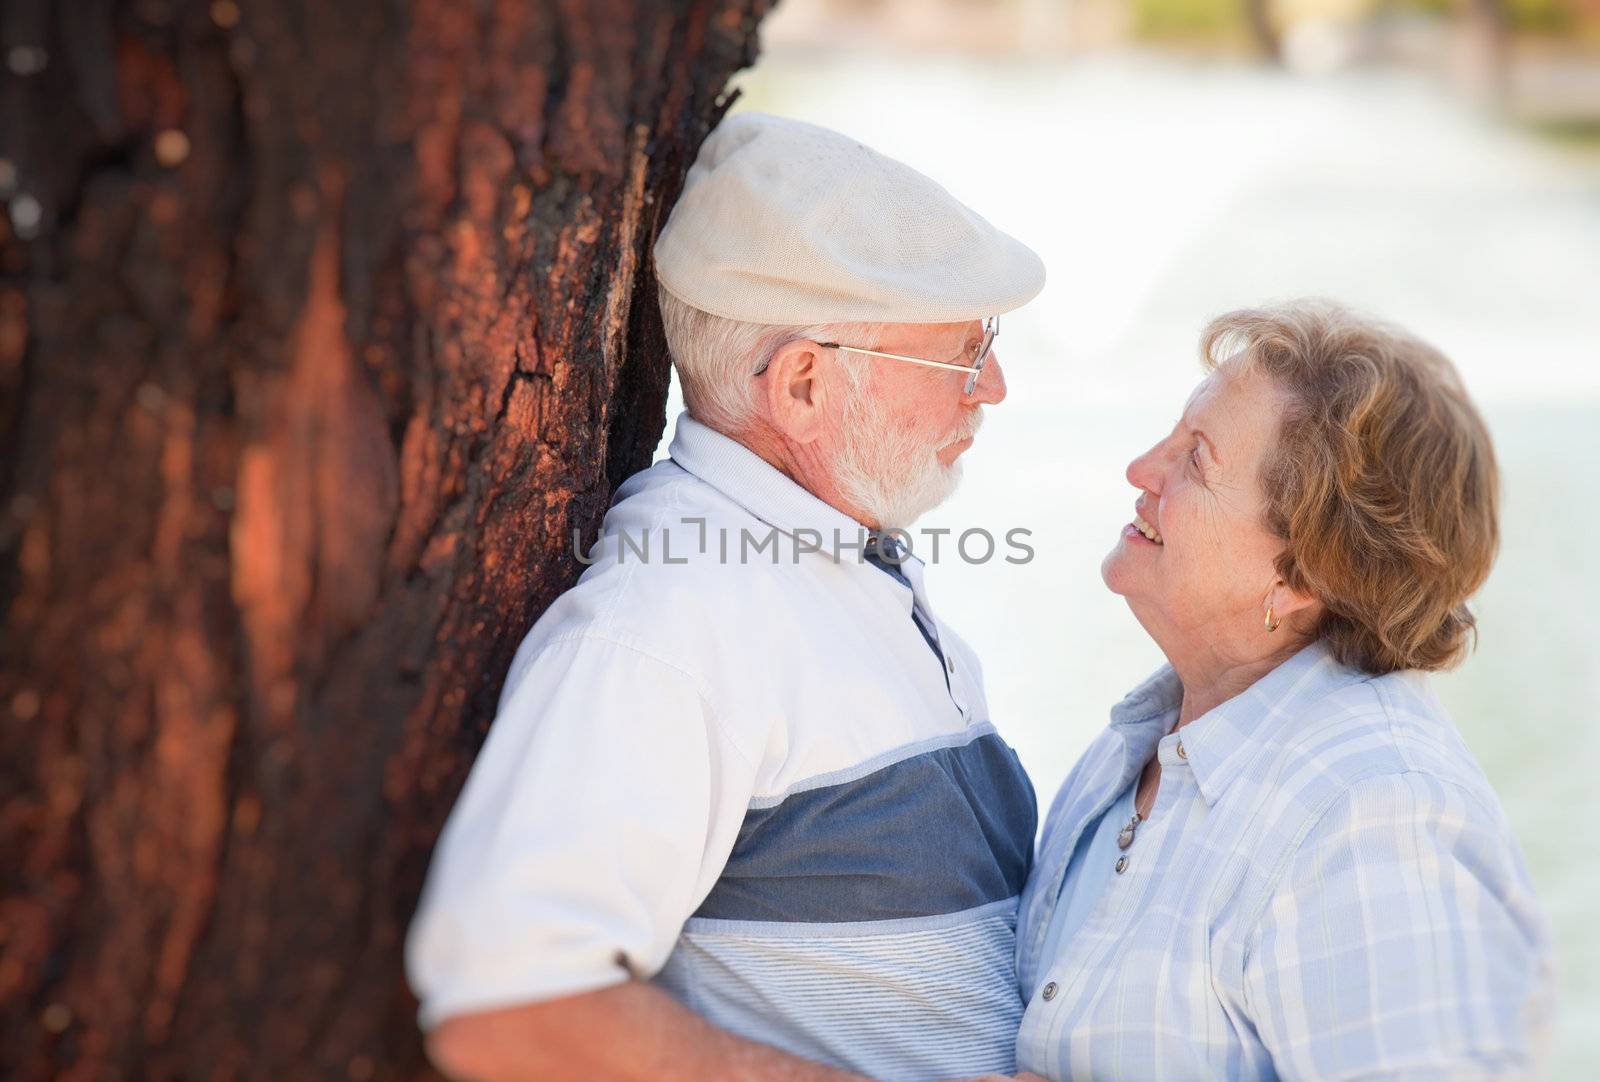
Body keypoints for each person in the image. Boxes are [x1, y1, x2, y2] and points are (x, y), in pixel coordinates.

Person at [405, 112, 1046, 1081]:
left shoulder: (831, 557)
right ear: (801, 385)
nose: (991, 386)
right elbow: (508, 1005)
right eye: (960, 351)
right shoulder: (669, 621)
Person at [1015, 301, 1554, 1080]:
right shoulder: (1143, 742)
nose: (1141, 470)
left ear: (1306, 572)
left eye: (1195, 459)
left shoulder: (1372, 811)